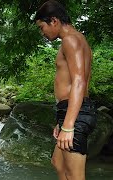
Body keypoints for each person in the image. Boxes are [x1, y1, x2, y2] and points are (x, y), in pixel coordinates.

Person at [35, 1, 97, 179]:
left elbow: (79, 82)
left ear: (53, 21)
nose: (43, 33)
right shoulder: (76, 39)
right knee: (58, 162)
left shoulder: (71, 39)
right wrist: (62, 121)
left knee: (75, 176)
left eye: (42, 27)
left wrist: (69, 125)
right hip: (70, 110)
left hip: (76, 114)